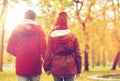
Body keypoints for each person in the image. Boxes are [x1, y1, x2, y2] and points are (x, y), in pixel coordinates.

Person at [7, 10, 46, 81]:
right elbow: (44, 49)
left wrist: (19, 54)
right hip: (35, 66)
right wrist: (48, 65)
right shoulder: (39, 30)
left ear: (24, 18)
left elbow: (9, 48)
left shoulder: (17, 29)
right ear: (34, 18)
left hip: (21, 66)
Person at [44, 12, 82, 81]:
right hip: (70, 66)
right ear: (66, 22)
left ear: (57, 21)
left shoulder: (52, 36)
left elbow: (48, 53)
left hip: (56, 66)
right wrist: (79, 69)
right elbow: (78, 54)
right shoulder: (73, 36)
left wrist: (47, 68)